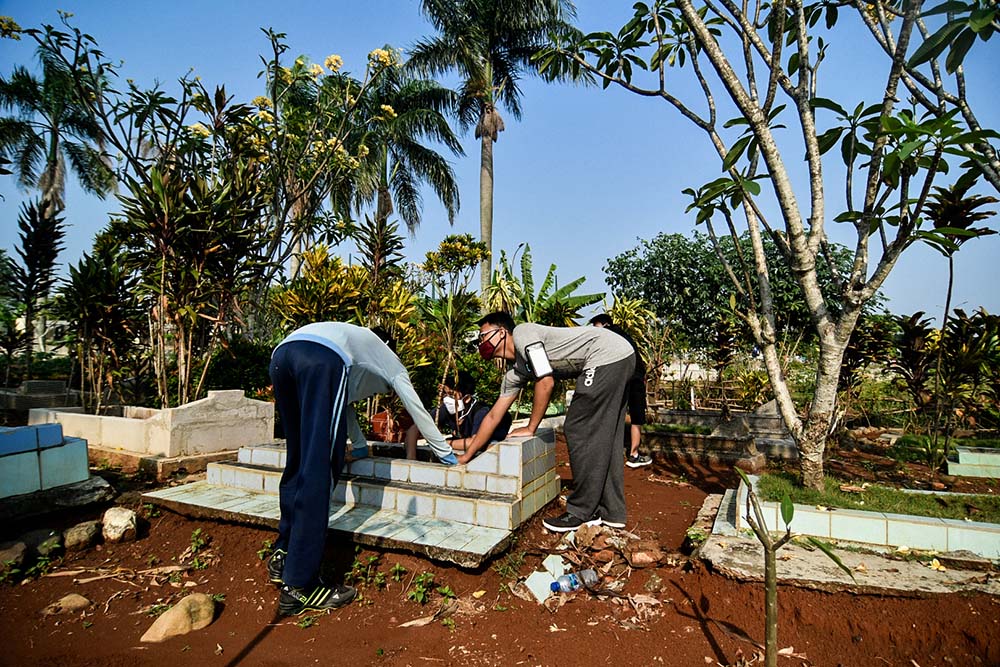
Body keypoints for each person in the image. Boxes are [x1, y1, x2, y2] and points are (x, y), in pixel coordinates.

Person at [266, 322, 457, 616]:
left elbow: (342, 404)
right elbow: (417, 409)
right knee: (320, 470)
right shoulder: (387, 358)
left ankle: (283, 552)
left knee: (298, 459)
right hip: (320, 359)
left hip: (283, 355)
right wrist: (447, 457)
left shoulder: (349, 341)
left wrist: (357, 448)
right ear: (390, 347)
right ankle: (300, 586)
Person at [460, 312, 635, 532]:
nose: (481, 342)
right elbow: (493, 416)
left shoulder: (524, 334)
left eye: (483, 335)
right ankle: (612, 512)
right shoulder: (516, 372)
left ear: (502, 332)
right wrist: (467, 456)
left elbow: (545, 381)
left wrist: (531, 427)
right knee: (606, 435)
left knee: (578, 426)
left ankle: (581, 511)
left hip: (606, 353)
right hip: (620, 356)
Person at [589, 313, 652, 468]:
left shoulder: (609, 335)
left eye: (595, 325)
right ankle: (633, 455)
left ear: (604, 324)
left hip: (631, 377)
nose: (593, 329)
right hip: (633, 376)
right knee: (636, 416)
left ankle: (623, 454)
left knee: (623, 413)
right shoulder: (622, 335)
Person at [404, 370, 513, 459]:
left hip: (489, 441)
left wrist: (443, 444)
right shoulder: (445, 409)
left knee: (490, 448)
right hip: (464, 442)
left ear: (466, 398)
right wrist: (411, 458)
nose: (447, 398)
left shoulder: (480, 412)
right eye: (445, 394)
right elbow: (414, 429)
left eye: (451, 394)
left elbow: (474, 442)